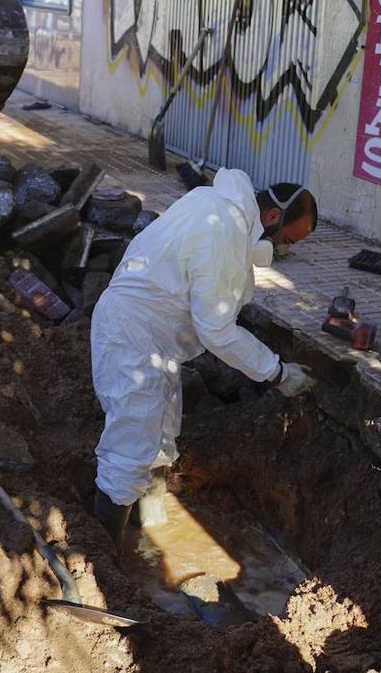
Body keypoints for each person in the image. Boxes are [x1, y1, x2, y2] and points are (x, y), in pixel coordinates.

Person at [90, 167, 319, 547]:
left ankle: (146, 534)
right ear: (273, 217)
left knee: (161, 433)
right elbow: (216, 330)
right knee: (129, 448)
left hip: (151, 339)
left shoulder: (217, 206)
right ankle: (103, 559)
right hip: (132, 337)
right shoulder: (223, 229)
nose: (283, 250)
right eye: (287, 241)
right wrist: (277, 373)